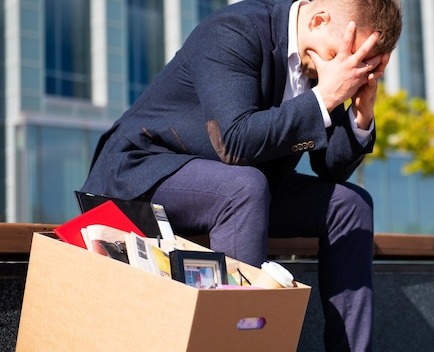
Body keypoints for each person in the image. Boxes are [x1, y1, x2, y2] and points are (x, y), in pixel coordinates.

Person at [81, 0, 402, 350]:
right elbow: (234, 141)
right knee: (244, 188)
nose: (350, 72)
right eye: (350, 60)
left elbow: (331, 168)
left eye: (363, 68)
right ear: (319, 20)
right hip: (144, 172)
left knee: (350, 205)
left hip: (240, 187)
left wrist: (361, 114)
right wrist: (326, 95)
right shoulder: (235, 30)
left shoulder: (327, 58)